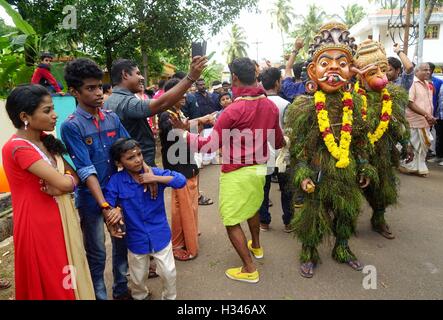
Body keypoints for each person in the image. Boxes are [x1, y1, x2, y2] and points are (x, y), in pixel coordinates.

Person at [171, 57, 284, 284]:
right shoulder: (270, 106)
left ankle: (249, 268)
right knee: (252, 207)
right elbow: (278, 142)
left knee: (231, 220)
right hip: (260, 169)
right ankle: (257, 246)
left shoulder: (232, 111)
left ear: (234, 78)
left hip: (237, 171)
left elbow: (208, 146)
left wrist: (183, 134)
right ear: (255, 75)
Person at [285, 22, 376, 278]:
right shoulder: (304, 106)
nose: (334, 68)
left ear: (351, 71)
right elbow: (299, 148)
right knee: (314, 215)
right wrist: (303, 174)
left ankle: (343, 248)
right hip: (317, 172)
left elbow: (359, 139)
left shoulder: (356, 103)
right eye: (326, 63)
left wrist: (364, 164)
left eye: (342, 63)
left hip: (346, 170)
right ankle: (309, 252)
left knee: (347, 212)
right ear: (313, 71)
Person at [2, 84, 94, 299]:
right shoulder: (18, 147)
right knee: (54, 279)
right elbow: (65, 183)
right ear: (25, 116)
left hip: (60, 217)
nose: (55, 116)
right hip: (38, 224)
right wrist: (67, 182)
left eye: (53, 109)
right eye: (47, 111)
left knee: (68, 272)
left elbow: (73, 176)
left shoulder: (45, 141)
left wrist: (67, 181)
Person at [61, 58, 131, 300]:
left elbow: (128, 150)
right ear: (74, 92)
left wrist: (146, 177)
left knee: (121, 244)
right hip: (92, 201)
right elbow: (85, 169)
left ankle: (121, 290)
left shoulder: (112, 117)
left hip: (117, 195)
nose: (99, 92)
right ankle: (98, 295)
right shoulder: (71, 126)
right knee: (97, 252)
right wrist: (105, 206)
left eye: (99, 86)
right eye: (90, 88)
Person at [105, 138, 186, 300]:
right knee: (138, 275)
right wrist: (113, 212)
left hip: (160, 235)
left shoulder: (153, 173)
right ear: (119, 163)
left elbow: (181, 180)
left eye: (139, 154)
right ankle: (140, 295)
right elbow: (108, 204)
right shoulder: (116, 181)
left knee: (169, 272)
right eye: (130, 157)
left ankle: (169, 297)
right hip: (136, 239)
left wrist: (156, 179)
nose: (138, 160)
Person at [353, 39, 411, 239]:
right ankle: (346, 224)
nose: (381, 77)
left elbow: (396, 122)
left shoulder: (391, 96)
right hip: (357, 152)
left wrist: (405, 142)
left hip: (384, 152)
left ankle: (379, 220)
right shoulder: (351, 99)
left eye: (383, 71)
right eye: (373, 72)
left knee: (383, 189)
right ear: (360, 76)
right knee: (351, 190)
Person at [104, 57, 207, 167]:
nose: (142, 77)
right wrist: (191, 77)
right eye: (138, 73)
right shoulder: (125, 102)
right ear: (125, 74)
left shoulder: (111, 100)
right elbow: (161, 104)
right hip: (140, 167)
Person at [158, 78, 203, 261]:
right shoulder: (166, 115)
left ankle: (188, 236)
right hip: (179, 168)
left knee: (190, 206)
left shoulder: (178, 112)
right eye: (181, 92)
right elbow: (175, 137)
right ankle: (182, 245)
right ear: (171, 95)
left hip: (188, 165)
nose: (185, 95)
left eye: (185, 91)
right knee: (182, 209)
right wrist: (193, 126)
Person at [257, 67, 294, 233]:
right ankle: (289, 222)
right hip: (282, 152)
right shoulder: (286, 104)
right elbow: (289, 130)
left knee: (262, 189)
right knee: (286, 189)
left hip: (261, 152)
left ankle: (263, 222)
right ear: (278, 83)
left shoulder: (257, 104)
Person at [399, 63, 437, 176]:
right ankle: (408, 166)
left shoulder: (428, 84)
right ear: (416, 72)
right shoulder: (412, 84)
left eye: (429, 70)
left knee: (423, 146)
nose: (428, 72)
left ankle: (418, 168)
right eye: (425, 70)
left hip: (425, 121)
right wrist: (426, 115)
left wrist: (429, 116)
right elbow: (409, 103)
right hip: (413, 122)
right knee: (413, 146)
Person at [281, 38, 305, 102]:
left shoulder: (288, 86)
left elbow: (288, 67)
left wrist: (296, 49)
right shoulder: (311, 86)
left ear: (293, 72)